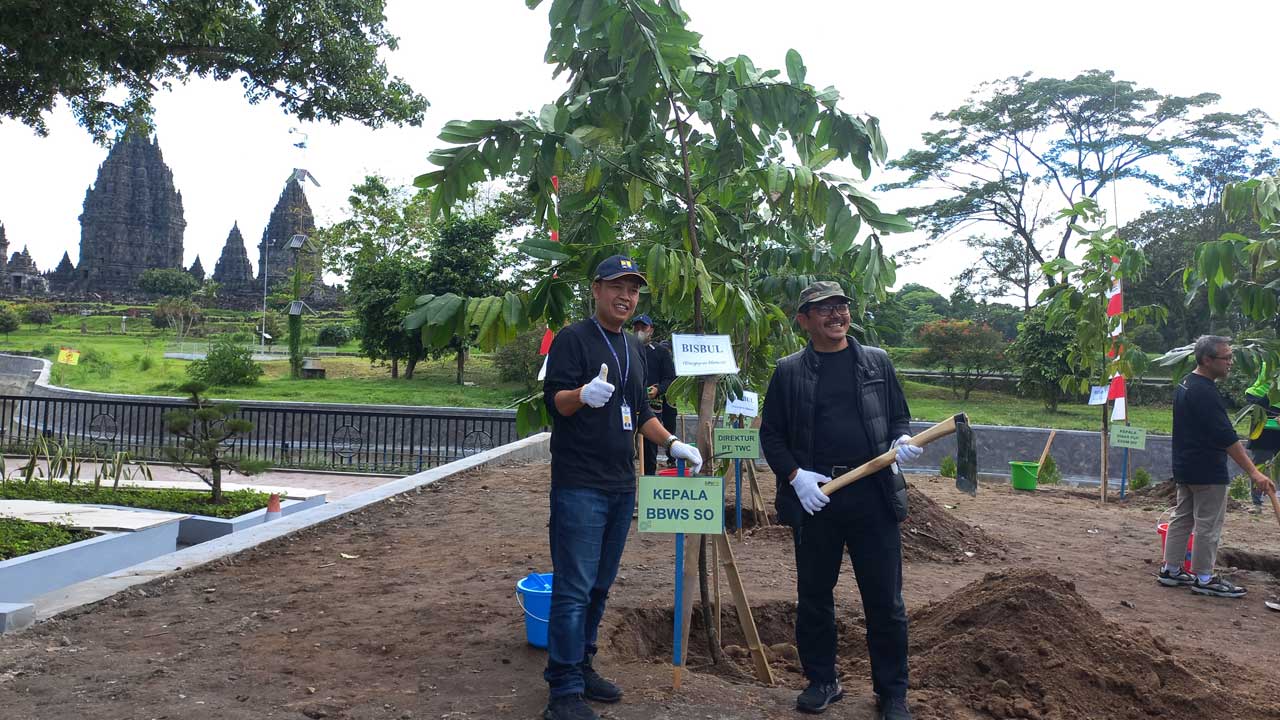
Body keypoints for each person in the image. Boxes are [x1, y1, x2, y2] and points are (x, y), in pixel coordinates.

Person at [540, 255, 704, 720]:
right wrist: (581, 394)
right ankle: (563, 689)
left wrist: (672, 444)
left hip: (620, 484)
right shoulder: (573, 338)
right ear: (596, 289)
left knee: (599, 586)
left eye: (633, 290)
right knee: (573, 587)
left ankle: (583, 665)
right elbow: (555, 402)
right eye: (616, 286)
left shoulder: (634, 346)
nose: (625, 296)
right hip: (579, 484)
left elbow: (642, 412)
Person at [759, 281, 923, 719]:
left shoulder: (876, 362)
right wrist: (796, 477)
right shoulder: (789, 371)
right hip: (819, 498)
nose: (836, 315)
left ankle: (892, 693)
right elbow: (771, 435)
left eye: (841, 306)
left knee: (885, 600)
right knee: (814, 596)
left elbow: (898, 416)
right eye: (824, 309)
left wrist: (900, 440)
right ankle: (822, 681)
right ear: (804, 320)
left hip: (873, 495)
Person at [1160, 335, 1276, 598]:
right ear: (1207, 360)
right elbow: (1226, 438)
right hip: (1207, 470)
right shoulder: (1205, 393)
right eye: (1226, 358)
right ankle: (1204, 577)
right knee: (1208, 525)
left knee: (1182, 517)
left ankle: (1171, 570)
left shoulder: (1186, 384)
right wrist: (1254, 472)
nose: (1231, 363)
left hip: (1186, 466)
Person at [631, 314, 677, 475]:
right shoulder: (626, 348)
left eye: (643, 327)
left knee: (649, 447)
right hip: (629, 404)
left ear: (651, 330)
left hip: (652, 406)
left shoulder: (660, 352)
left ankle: (649, 479)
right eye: (636, 327)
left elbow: (670, 378)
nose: (639, 331)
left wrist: (658, 389)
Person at [1243, 362, 1280, 509]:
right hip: (1264, 433)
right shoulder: (1257, 390)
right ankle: (1257, 503)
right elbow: (1253, 403)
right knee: (1260, 464)